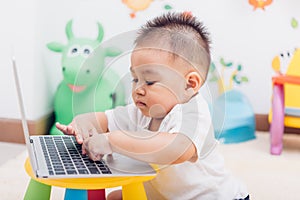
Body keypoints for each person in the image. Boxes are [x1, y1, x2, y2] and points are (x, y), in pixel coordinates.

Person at [56, 12, 249, 200]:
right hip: (163, 194)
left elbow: (176, 149)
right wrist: (85, 122)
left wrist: (112, 141)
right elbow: (106, 119)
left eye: (149, 81)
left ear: (190, 84)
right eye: (134, 79)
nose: (138, 89)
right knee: (115, 197)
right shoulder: (142, 110)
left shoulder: (194, 112)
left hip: (215, 197)